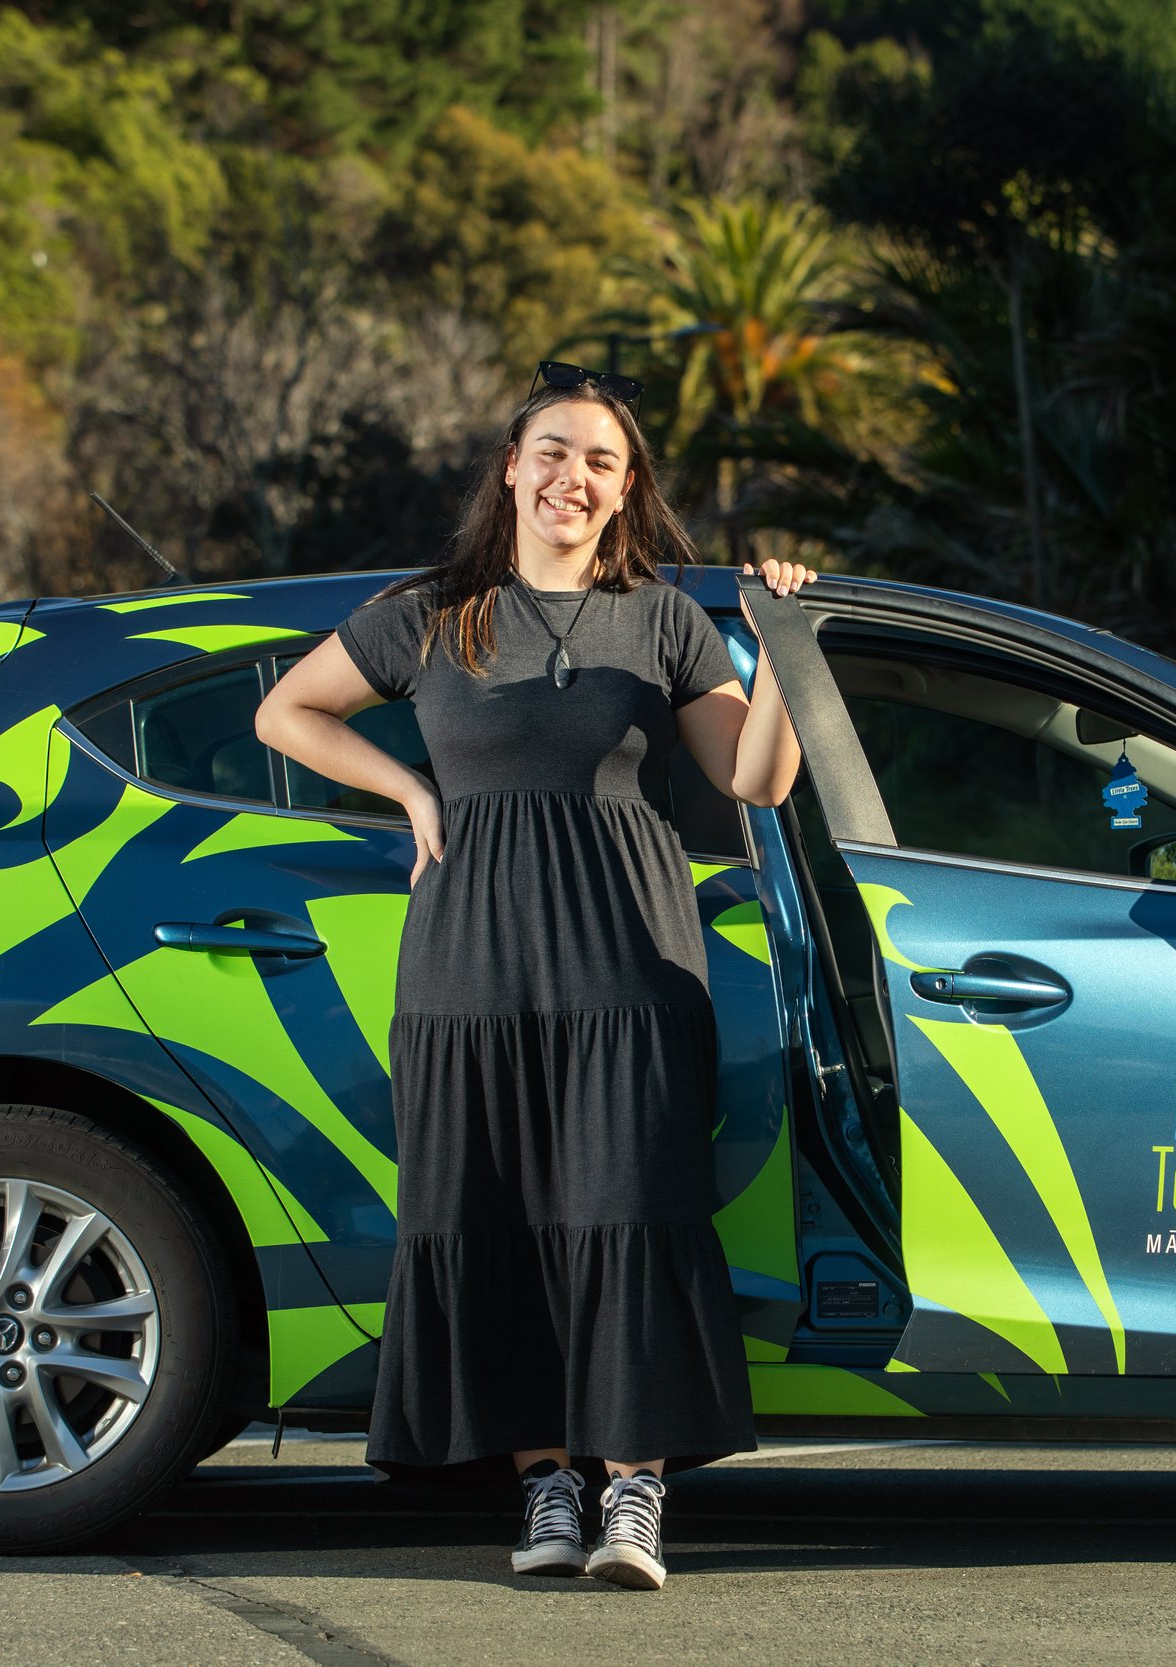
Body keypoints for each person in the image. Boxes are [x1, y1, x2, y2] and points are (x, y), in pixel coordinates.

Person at [255, 363, 819, 1590]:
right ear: (510, 464)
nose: (575, 477)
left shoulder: (665, 619)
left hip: (630, 954)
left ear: (626, 491)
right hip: (468, 957)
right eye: (554, 452)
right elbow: (287, 714)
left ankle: (634, 1492)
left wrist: (779, 646)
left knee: (628, 1207)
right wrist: (411, 788)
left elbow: (758, 781)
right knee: (496, 1217)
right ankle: (546, 1486)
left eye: (602, 462)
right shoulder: (433, 611)